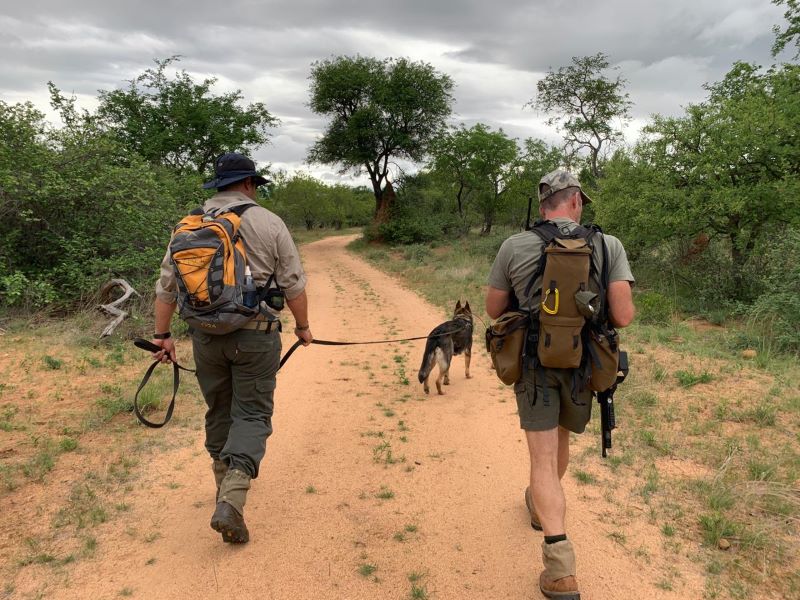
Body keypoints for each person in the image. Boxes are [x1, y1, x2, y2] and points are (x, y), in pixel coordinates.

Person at [485, 169, 635, 599]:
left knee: (542, 454)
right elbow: (623, 316)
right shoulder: (608, 245)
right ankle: (541, 507)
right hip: (583, 363)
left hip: (535, 362)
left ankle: (560, 567)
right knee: (561, 443)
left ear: (544, 204)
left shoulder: (515, 245)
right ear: (575, 201)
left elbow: (495, 308)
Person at [150, 152, 313, 544]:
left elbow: (166, 288)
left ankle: (221, 486)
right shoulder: (268, 221)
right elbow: (293, 283)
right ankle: (233, 500)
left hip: (205, 336)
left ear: (218, 186)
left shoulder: (188, 226)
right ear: (249, 184)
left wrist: (162, 336)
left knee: (219, 407)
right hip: (256, 335)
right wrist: (304, 328)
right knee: (253, 413)